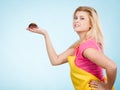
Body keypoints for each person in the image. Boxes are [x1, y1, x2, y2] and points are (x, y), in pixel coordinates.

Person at [27, 6, 117, 90]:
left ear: (91, 24)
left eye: (82, 18)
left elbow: (112, 66)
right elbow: (55, 60)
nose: (76, 21)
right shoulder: (79, 45)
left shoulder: (87, 48)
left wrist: (107, 87)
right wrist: (45, 34)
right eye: (75, 18)